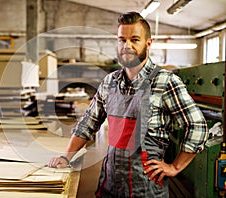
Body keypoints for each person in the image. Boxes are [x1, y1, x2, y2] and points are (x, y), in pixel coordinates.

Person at [48, 11, 208, 197]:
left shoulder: (166, 82)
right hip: (110, 186)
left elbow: (198, 126)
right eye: (122, 40)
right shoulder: (109, 82)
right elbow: (88, 123)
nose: (127, 46)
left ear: (148, 43)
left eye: (134, 39)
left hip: (147, 190)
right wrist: (65, 157)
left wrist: (174, 167)